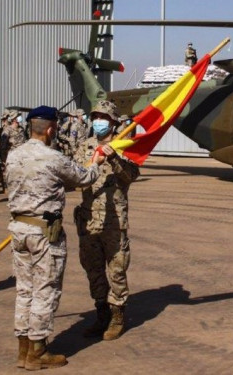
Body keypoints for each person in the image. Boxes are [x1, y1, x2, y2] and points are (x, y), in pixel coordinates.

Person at [5, 105, 107, 370]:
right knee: (45, 290)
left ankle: (24, 349)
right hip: (44, 233)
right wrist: (95, 163)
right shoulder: (53, 157)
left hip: (19, 229)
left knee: (24, 290)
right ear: (50, 129)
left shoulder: (13, 156)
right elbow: (83, 178)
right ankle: (38, 351)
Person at [73, 101, 139, 340]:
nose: (98, 121)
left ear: (113, 122)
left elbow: (131, 177)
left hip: (113, 221)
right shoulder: (85, 146)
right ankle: (101, 314)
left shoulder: (125, 147)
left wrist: (114, 160)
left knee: (117, 270)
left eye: (103, 117)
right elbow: (76, 177)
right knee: (93, 270)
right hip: (89, 220)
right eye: (95, 117)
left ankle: (117, 316)